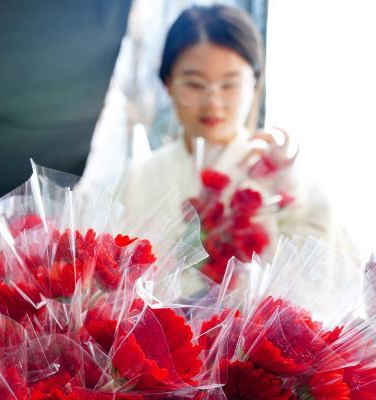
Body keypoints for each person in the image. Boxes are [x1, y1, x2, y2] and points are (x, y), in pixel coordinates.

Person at [120, 5, 359, 284]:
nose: (213, 102)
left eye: (230, 84)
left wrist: (291, 199)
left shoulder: (278, 180)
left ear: (254, 84)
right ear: (168, 83)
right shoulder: (134, 181)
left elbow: (333, 277)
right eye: (195, 84)